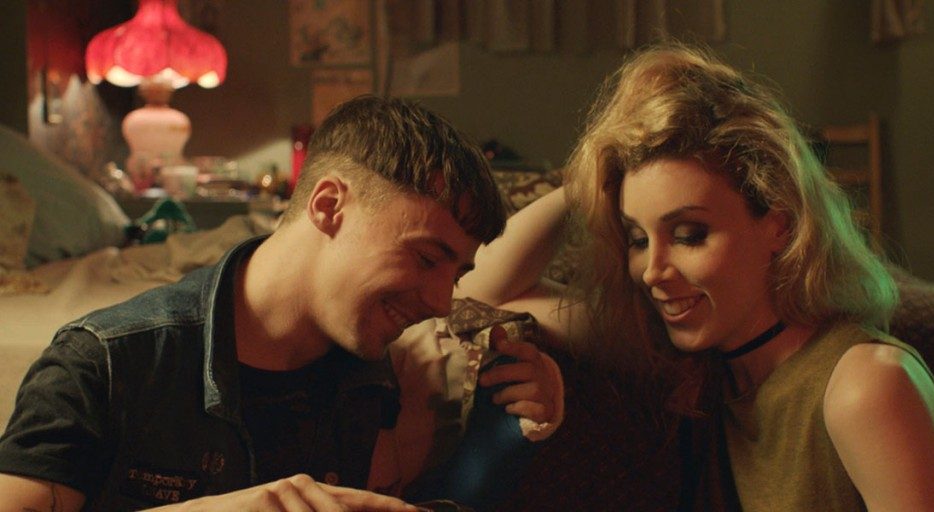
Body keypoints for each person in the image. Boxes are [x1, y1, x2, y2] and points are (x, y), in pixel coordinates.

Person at [456, 43, 934, 511]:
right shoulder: (693, 362)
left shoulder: (865, 385)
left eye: (690, 234)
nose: (654, 271)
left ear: (780, 224)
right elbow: (478, 289)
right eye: (638, 238)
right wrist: (591, 177)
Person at [0, 95, 561, 511]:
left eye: (456, 274)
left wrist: (504, 433)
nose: (441, 302)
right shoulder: (104, 364)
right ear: (328, 205)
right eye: (424, 258)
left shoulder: (369, 366)